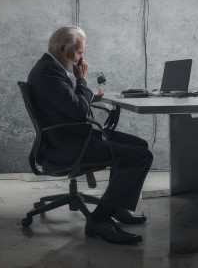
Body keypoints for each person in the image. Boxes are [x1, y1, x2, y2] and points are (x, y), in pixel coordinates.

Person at [27, 26, 153, 245]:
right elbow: (79, 111)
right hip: (70, 145)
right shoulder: (49, 72)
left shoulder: (49, 68)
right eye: (79, 52)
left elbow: (72, 105)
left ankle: (118, 206)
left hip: (70, 138)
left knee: (139, 144)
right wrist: (82, 81)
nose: (81, 58)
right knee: (140, 156)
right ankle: (100, 220)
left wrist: (83, 92)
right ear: (63, 48)